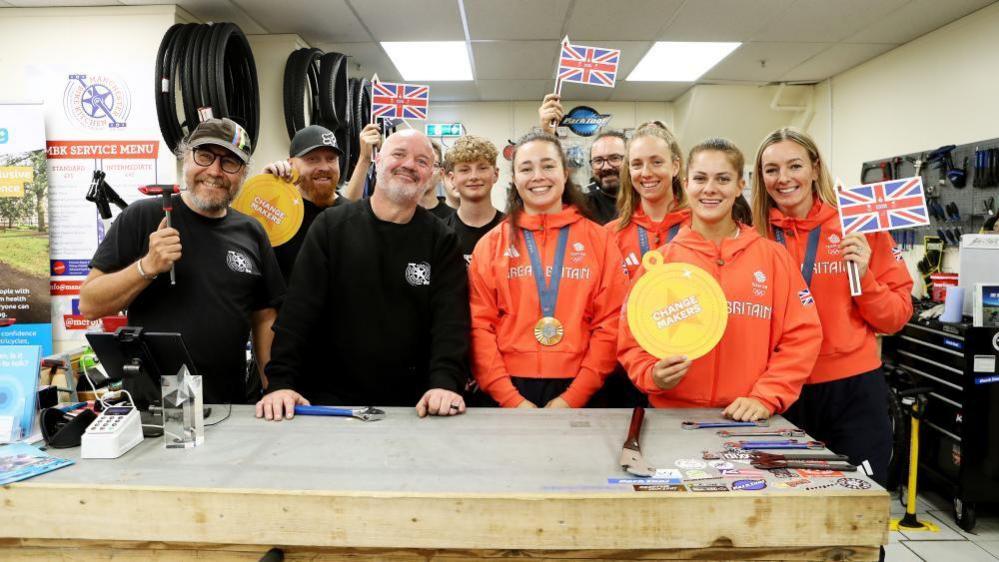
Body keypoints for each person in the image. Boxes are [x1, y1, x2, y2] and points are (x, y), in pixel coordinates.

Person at [256, 129, 470, 420]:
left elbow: (450, 323)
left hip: (414, 407)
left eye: (422, 160)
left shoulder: (442, 240)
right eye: (399, 154)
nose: (409, 164)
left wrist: (445, 383)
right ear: (378, 159)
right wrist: (280, 383)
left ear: (432, 173)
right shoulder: (331, 228)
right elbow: (298, 313)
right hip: (329, 402)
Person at [79, 118, 285, 404]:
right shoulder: (142, 217)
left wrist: (273, 388)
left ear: (243, 173)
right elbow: (89, 304)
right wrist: (146, 267)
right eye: (205, 155)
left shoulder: (252, 232)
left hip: (229, 406)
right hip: (153, 411)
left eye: (230, 162)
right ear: (185, 158)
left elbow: (264, 319)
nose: (214, 171)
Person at [618, 138, 822, 421]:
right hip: (672, 418)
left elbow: (803, 337)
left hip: (748, 418)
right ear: (686, 183)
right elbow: (631, 339)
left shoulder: (773, 259)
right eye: (700, 178)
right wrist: (652, 375)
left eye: (723, 179)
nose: (710, 189)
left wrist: (766, 395)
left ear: (740, 186)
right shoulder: (661, 264)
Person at [752, 127, 913, 483]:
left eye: (794, 166)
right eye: (771, 169)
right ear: (760, 178)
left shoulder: (859, 227)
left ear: (814, 167)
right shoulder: (753, 235)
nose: (783, 179)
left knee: (858, 505)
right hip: (777, 391)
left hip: (850, 389)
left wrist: (865, 276)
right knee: (783, 510)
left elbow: (896, 318)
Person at [468, 131, 628, 408]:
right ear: (514, 179)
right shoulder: (491, 245)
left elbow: (610, 323)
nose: (538, 176)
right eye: (526, 169)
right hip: (507, 390)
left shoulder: (599, 241)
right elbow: (479, 327)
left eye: (548, 166)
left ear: (565, 174)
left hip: (584, 389)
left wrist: (573, 397)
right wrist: (510, 399)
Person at [605, 122, 690, 280]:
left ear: (675, 166)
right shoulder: (610, 235)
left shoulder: (699, 226)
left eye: (656, 162)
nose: (646, 173)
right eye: (637, 164)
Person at [260, 125, 345, 281]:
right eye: (312, 159)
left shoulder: (352, 216)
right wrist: (263, 192)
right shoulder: (278, 212)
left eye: (331, 158)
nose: (324, 167)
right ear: (290, 164)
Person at [538, 93, 624, 224]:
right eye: (598, 161)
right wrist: (548, 133)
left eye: (615, 158)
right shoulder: (585, 206)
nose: (606, 167)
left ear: (630, 160)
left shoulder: (647, 199)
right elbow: (554, 184)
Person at [442, 135, 505, 266]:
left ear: (496, 174)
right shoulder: (441, 233)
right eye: (465, 170)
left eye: (482, 168)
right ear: (452, 179)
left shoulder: (513, 230)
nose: (474, 176)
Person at [417, 139, 456, 221]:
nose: (427, 171)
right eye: (422, 163)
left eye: (434, 165)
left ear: (441, 174)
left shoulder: (453, 219)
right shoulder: (399, 216)